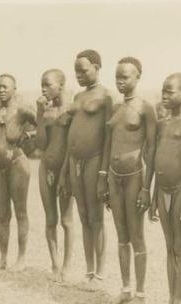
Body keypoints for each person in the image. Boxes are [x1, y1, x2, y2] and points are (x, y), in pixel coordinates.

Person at [104, 57, 157, 304]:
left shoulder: (146, 109)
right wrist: (103, 178)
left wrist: (147, 188)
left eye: (125, 76)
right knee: (121, 234)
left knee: (136, 235)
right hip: (114, 177)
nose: (120, 81)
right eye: (117, 76)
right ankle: (125, 290)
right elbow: (107, 145)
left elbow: (152, 149)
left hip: (135, 175)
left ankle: (141, 295)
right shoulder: (115, 108)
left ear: (138, 77)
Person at [58, 49, 112, 289]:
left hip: (94, 160)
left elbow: (109, 137)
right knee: (83, 217)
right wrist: (64, 171)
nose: (78, 75)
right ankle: (89, 271)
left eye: (84, 70)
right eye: (76, 71)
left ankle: (99, 275)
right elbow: (70, 134)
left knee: (96, 218)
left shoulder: (107, 97)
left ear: (97, 68)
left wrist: (103, 171)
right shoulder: (77, 97)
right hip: (74, 162)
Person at [149, 73, 181, 304]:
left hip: (180, 189)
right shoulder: (161, 124)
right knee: (169, 248)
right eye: (163, 91)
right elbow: (155, 160)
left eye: (170, 91)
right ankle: (170, 301)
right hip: (162, 190)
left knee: (180, 247)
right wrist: (153, 193)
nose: (165, 95)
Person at [0, 74, 37, 272]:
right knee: (3, 214)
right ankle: (3, 258)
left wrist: (30, 134)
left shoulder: (22, 111)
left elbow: (46, 127)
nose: (1, 90)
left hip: (17, 164)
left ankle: (21, 259)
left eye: (5, 86)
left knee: (20, 212)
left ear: (15, 89)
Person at [36, 69, 74, 282]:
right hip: (45, 167)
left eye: (47, 84)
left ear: (61, 85)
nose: (43, 88)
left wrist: (64, 174)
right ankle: (55, 265)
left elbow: (72, 145)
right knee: (50, 219)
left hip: (65, 170)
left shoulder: (71, 111)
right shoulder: (46, 112)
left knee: (67, 220)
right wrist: (39, 114)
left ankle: (67, 266)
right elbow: (41, 144)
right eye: (41, 84)